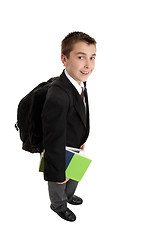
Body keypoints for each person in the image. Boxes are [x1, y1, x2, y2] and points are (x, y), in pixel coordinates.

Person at [41, 31, 96, 221]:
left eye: (92, 57)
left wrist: (81, 138)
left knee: (75, 175)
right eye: (81, 57)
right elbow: (52, 138)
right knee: (59, 182)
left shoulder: (79, 82)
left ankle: (69, 195)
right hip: (59, 150)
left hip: (75, 143)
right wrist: (56, 171)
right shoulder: (58, 95)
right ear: (64, 59)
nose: (88, 65)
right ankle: (58, 204)